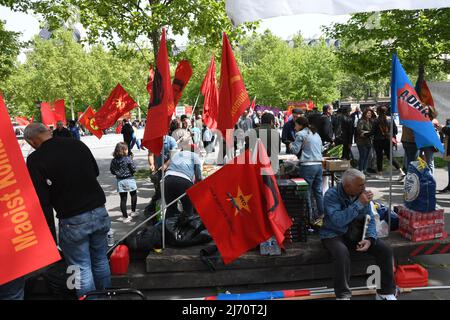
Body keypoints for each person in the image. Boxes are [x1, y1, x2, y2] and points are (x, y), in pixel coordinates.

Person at [24, 123, 111, 298]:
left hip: (73, 220)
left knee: (80, 268)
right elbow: (94, 171)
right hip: (99, 211)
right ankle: (107, 295)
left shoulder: (35, 159)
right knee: (100, 260)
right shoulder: (76, 144)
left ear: (32, 141)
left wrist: (49, 234)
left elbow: (43, 200)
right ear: (47, 132)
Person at [321, 169, 397, 300]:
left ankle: (385, 292)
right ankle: (343, 295)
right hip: (333, 233)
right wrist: (358, 203)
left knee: (385, 249)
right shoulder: (331, 195)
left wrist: (369, 238)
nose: (364, 187)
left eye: (364, 184)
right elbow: (338, 221)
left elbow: (371, 218)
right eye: (360, 185)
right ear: (348, 186)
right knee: (341, 253)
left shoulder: (361, 193)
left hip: (356, 232)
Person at [289, 117, 324, 225]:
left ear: (300, 125)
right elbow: (321, 149)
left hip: (308, 166)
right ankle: (322, 215)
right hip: (319, 165)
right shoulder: (316, 134)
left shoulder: (301, 134)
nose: (295, 127)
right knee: (318, 192)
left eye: (296, 125)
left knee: (307, 192)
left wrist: (290, 144)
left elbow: (295, 150)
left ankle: (310, 218)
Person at [164, 144, 203, 219]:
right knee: (188, 209)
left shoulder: (176, 154)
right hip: (184, 181)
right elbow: (198, 177)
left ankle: (167, 229)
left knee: (170, 208)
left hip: (168, 179)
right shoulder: (195, 156)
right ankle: (188, 229)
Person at [146, 135, 178, 214]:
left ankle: (171, 209)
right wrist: (152, 164)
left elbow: (174, 156)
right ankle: (157, 209)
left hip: (170, 170)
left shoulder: (171, 141)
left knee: (170, 190)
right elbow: (150, 154)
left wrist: (166, 165)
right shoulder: (154, 141)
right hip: (158, 170)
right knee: (158, 191)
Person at [370, 106, 404, 178]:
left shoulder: (376, 120)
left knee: (379, 157)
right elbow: (396, 131)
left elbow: (372, 132)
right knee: (390, 157)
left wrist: (364, 134)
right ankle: (400, 171)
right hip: (388, 140)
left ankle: (380, 174)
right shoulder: (390, 119)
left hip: (378, 141)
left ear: (378, 112)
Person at [110, 142, 138, 224]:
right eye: (126, 149)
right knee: (133, 194)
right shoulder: (128, 159)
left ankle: (125, 216)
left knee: (123, 199)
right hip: (129, 179)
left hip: (120, 181)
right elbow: (133, 168)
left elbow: (112, 170)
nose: (127, 150)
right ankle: (133, 211)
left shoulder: (114, 160)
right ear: (123, 150)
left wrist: (118, 173)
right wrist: (132, 172)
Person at [355, 109, 374, 175]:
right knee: (362, 156)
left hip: (368, 141)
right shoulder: (361, 121)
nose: (370, 114)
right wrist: (367, 132)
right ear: (364, 114)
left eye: (370, 113)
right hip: (361, 141)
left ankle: (364, 170)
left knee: (367, 156)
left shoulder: (370, 121)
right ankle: (361, 170)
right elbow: (359, 130)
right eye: (368, 113)